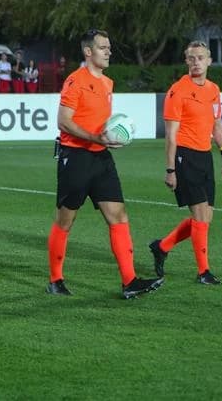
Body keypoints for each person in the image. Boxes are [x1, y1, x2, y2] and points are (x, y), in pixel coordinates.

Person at [47, 29, 162, 299]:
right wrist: (95, 136)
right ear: (88, 52)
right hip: (75, 157)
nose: (108, 51)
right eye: (102, 47)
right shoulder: (75, 81)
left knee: (118, 215)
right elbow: (63, 121)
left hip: (101, 157)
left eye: (109, 47)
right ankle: (55, 280)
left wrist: (109, 137)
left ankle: (130, 281)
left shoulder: (107, 83)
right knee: (66, 220)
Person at [149, 41, 222, 286]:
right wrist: (170, 169)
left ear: (209, 61)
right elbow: (171, 135)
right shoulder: (178, 91)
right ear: (186, 62)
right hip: (184, 156)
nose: (196, 62)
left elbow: (217, 126)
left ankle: (162, 246)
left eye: (200, 57)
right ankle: (203, 271)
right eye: (191, 58)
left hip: (205, 155)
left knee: (206, 218)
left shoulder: (214, 90)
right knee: (199, 215)